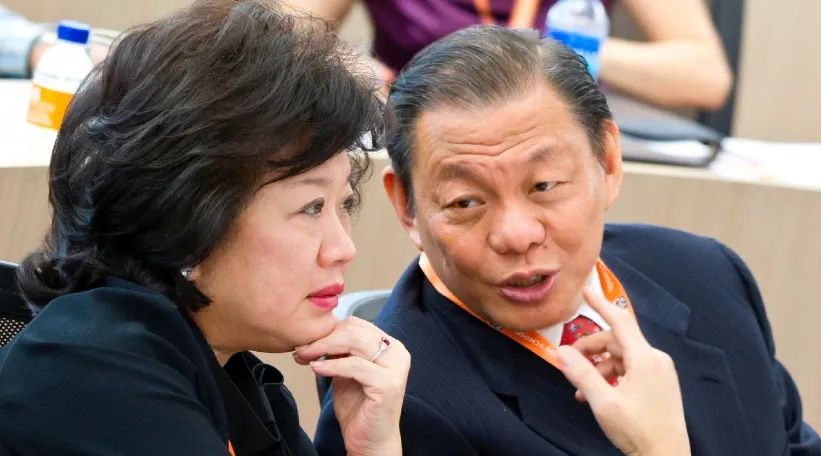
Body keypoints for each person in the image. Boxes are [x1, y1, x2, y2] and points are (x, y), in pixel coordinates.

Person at [314, 25, 821, 455]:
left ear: (608, 162)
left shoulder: (704, 272)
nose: (517, 235)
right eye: (466, 202)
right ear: (407, 206)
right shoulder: (397, 407)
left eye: (544, 186)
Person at [0, 1, 413, 454]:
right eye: (311, 208)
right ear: (184, 222)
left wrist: (374, 446)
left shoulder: (228, 371)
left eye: (343, 204)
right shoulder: (97, 375)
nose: (343, 248)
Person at [289, 0, 732, 110]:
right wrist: (350, 65)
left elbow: (704, 76)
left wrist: (564, 49)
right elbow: (283, 33)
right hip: (415, 129)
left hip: (553, 130)